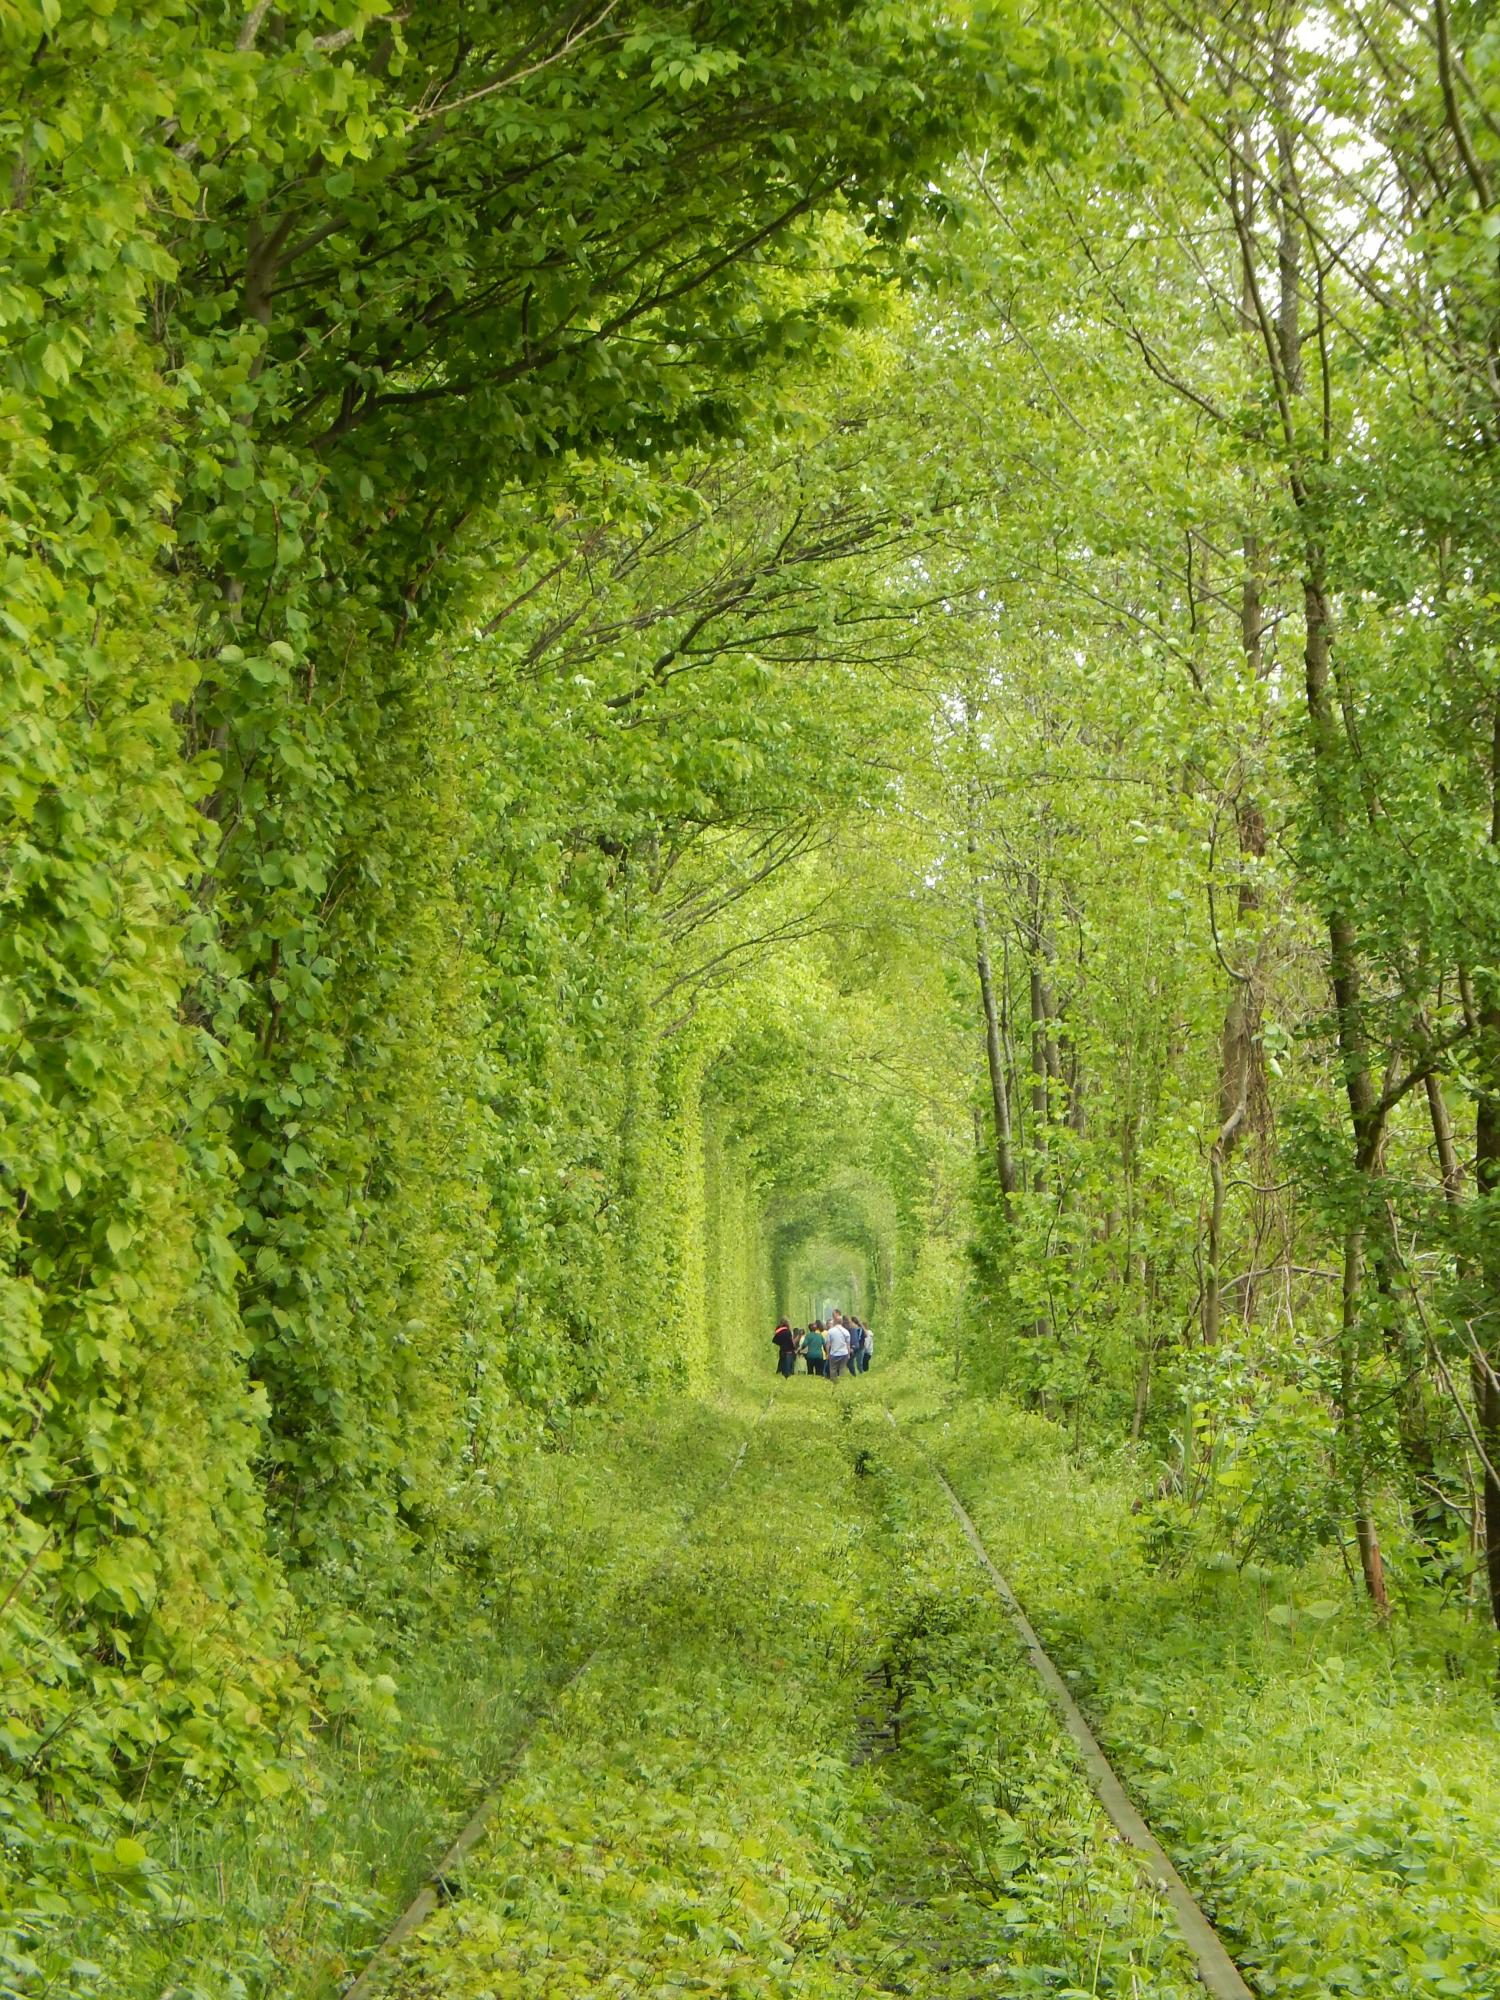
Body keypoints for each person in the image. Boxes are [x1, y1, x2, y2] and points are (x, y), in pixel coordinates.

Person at [826, 1313, 851, 1381]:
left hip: (834, 1353)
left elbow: (828, 1344)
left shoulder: (830, 1331)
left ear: (835, 1322)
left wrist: (828, 1354)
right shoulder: (846, 1331)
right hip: (844, 1353)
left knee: (833, 1369)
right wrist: (848, 1354)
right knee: (842, 1369)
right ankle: (841, 1383)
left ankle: (834, 1383)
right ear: (841, 1322)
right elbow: (848, 1345)